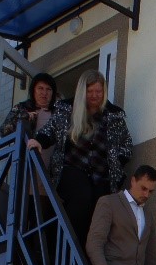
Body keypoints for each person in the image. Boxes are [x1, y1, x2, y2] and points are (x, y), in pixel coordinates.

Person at [54, 70, 133, 246]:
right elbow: (51, 129)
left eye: (98, 91)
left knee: (99, 214)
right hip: (73, 168)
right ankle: (71, 246)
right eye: (90, 91)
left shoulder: (113, 115)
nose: (95, 95)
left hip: (101, 174)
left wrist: (118, 161)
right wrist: (38, 140)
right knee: (81, 200)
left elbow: (127, 143)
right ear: (82, 91)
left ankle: (89, 254)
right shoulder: (67, 109)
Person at [85, 164, 156, 265]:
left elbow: (149, 254)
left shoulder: (148, 214)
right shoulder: (109, 202)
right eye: (143, 188)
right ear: (133, 181)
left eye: (151, 191)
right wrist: (100, 264)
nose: (146, 194)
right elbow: (95, 239)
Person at [0, 71, 70, 185]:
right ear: (33, 90)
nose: (44, 93)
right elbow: (3, 131)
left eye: (48, 89)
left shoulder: (59, 113)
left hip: (53, 171)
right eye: (40, 88)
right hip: (27, 167)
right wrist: (24, 117)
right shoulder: (21, 108)